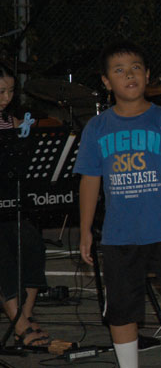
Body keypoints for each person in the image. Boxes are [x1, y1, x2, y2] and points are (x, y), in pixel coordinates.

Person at [75, 41, 161, 368]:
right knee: (122, 311)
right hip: (120, 235)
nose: (129, 75)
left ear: (147, 74)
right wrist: (85, 230)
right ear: (106, 82)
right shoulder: (97, 128)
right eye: (119, 70)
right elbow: (90, 181)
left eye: (136, 68)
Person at [0, 66, 50, 347]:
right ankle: (19, 324)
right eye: (0, 92)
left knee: (32, 243)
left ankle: (27, 314)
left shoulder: (10, 120)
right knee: (2, 252)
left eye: (10, 91)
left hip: (8, 203)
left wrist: (25, 135)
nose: (6, 98)